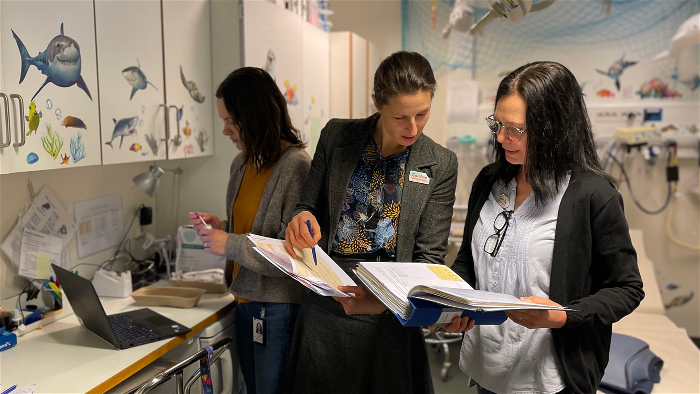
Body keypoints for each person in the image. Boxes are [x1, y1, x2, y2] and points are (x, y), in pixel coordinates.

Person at [449, 61, 645, 394]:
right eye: (498, 123)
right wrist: (457, 301)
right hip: (486, 369)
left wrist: (564, 316)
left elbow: (627, 288)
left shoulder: (593, 195)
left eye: (516, 129)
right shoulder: (489, 181)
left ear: (553, 128)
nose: (501, 137)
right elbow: (469, 261)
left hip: (549, 378)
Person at [282, 51, 458, 394]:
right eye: (400, 117)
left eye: (422, 114)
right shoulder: (336, 137)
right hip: (328, 303)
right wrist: (300, 219)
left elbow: (429, 260)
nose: (413, 128)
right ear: (377, 103)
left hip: (392, 308)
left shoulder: (439, 163)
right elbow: (306, 207)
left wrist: (382, 303)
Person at [189, 67, 311, 394]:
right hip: (245, 302)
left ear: (254, 115)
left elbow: (292, 253)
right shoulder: (242, 163)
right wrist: (224, 227)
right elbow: (257, 230)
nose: (225, 131)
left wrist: (228, 243)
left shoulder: (295, 166)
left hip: (276, 308)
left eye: (231, 120)